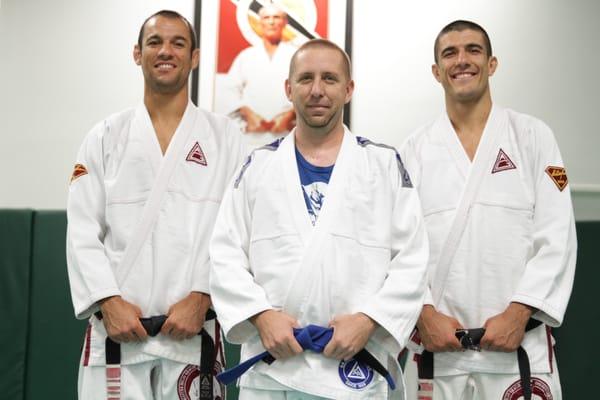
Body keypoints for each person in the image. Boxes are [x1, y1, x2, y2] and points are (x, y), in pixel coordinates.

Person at [209, 39, 429, 399]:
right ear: (288, 89)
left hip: (354, 367)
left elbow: (413, 259)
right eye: (306, 79)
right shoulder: (256, 167)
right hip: (273, 368)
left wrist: (368, 320)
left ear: (348, 89)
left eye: (329, 79)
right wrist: (261, 315)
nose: (316, 90)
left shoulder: (383, 165)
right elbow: (224, 254)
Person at [66, 10, 244, 399]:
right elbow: (81, 230)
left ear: (194, 57)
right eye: (155, 42)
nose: (166, 51)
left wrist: (203, 295)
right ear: (136, 53)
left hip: (194, 333)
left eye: (178, 43)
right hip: (116, 334)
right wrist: (107, 301)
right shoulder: (104, 136)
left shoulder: (225, 137)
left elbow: (237, 231)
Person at [400, 20, 576, 400]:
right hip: (437, 353)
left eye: (473, 50)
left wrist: (520, 312)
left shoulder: (533, 137)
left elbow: (557, 233)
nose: (462, 60)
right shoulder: (413, 150)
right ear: (436, 71)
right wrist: (424, 313)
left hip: (516, 350)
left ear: (492, 63)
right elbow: (397, 246)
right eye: (450, 53)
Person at [220, 3, 296, 142]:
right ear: (260, 23)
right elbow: (228, 90)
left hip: (287, 134)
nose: (271, 22)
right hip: (252, 136)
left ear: (285, 22)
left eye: (277, 17)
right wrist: (247, 113)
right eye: (266, 18)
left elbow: (306, 90)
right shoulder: (246, 56)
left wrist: (291, 114)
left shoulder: (295, 56)